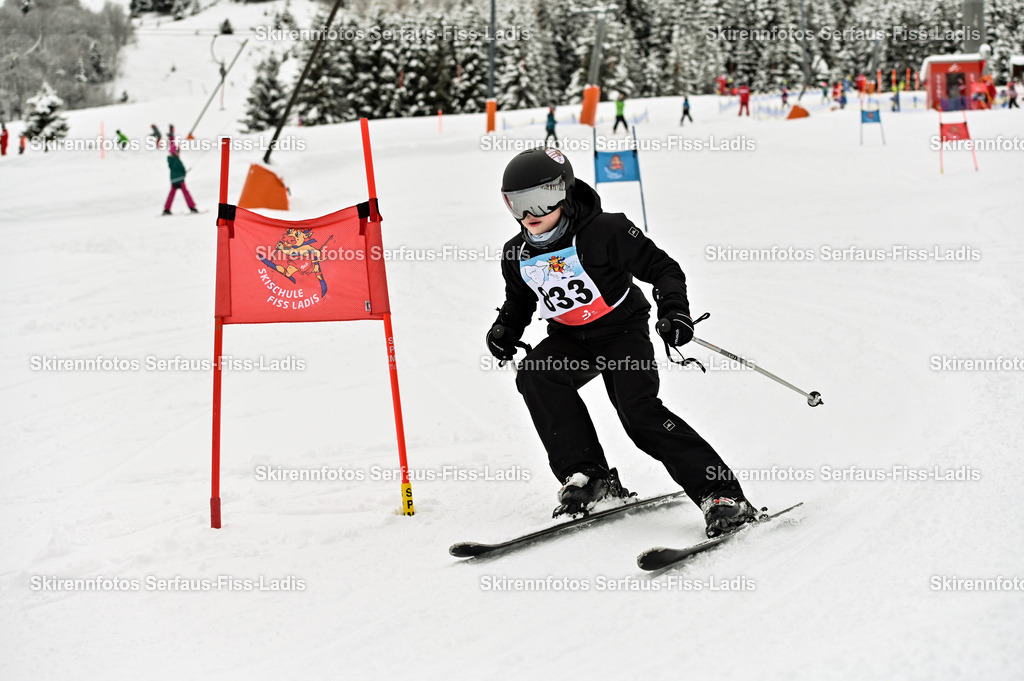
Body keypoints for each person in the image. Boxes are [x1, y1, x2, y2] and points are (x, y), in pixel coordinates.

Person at [487, 148, 760, 537]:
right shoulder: (517, 253)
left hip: (622, 332)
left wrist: (675, 311)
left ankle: (721, 495)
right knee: (537, 374)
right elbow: (520, 300)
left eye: (543, 199)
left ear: (564, 192)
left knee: (639, 414)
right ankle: (589, 477)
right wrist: (504, 330)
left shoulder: (606, 231)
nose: (531, 213)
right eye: (518, 203)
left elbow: (663, 269)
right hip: (569, 338)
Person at [163, 149, 198, 215]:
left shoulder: (170, 160)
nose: (179, 153)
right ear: (174, 152)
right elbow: (182, 169)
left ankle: (166, 209)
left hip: (173, 180)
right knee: (186, 193)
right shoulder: (177, 160)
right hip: (180, 180)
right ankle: (192, 207)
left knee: (171, 194)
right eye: (177, 152)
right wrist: (184, 173)